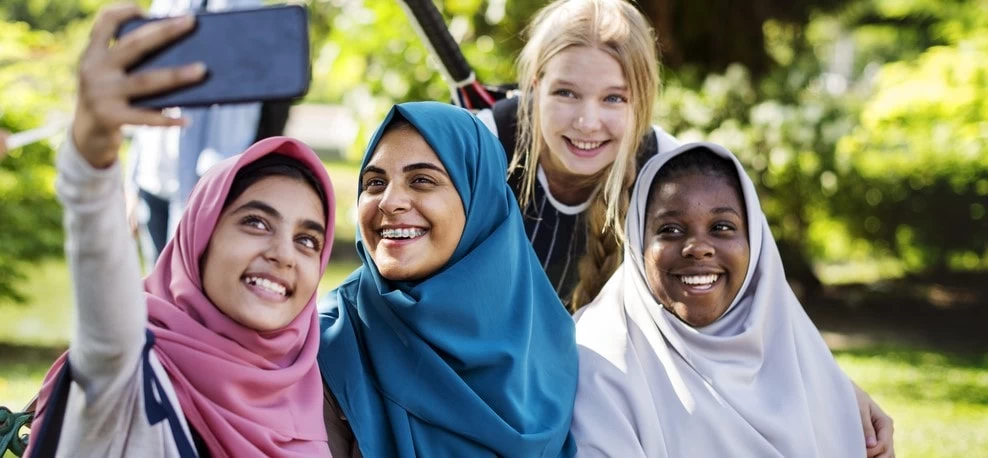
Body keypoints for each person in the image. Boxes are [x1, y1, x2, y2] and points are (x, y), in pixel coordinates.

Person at [475, 0, 892, 452]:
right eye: (566, 93)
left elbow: (760, 290)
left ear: (642, 101)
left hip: (595, 396)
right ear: (535, 85)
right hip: (478, 387)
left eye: (614, 98)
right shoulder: (479, 152)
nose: (587, 121)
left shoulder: (665, 172)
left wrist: (833, 385)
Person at [26, 6, 335, 456]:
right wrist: (91, 162)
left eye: (308, 240)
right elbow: (110, 332)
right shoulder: (130, 380)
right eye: (255, 222)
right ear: (200, 239)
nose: (284, 254)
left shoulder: (308, 395)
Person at [571, 143, 892, 458]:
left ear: (755, 242)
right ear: (638, 241)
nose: (698, 247)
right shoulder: (600, 354)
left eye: (722, 227)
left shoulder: (797, 350)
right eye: (670, 229)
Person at [317, 102, 578, 457]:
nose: (389, 202)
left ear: (480, 200)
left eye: (421, 180)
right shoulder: (331, 343)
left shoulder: (551, 339)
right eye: (375, 183)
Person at [125, 0, 276, 270]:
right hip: (154, 177)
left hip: (212, 184)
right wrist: (130, 184)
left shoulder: (246, 8)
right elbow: (146, 94)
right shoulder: (166, 4)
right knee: (156, 280)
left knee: (195, 279)